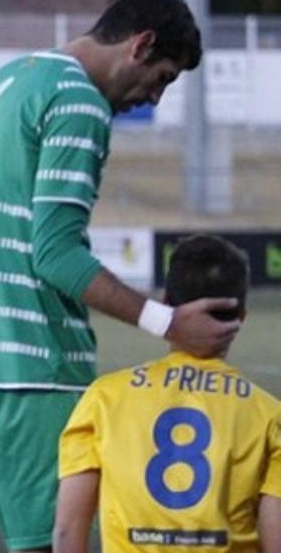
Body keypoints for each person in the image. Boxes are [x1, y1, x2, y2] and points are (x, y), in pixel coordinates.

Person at [0, 0, 242, 552]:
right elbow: (55, 253)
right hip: (38, 362)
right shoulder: (77, 99)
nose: (152, 98)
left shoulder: (10, 81)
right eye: (161, 78)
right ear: (141, 45)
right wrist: (168, 322)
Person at [54, 234, 281, 552]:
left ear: (165, 305)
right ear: (241, 316)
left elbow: (67, 531)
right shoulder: (268, 415)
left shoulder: (103, 399)